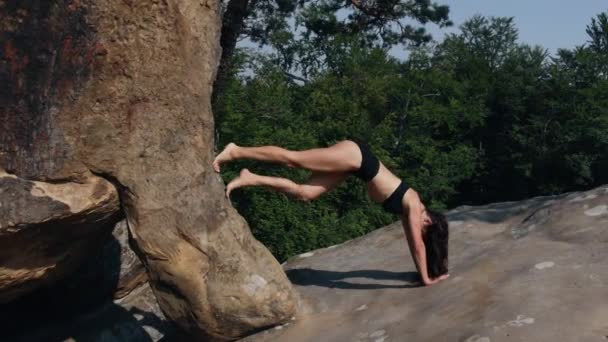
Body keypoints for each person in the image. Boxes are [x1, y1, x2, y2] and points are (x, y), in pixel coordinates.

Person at [213, 139, 450, 286]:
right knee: (293, 160)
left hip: (355, 167)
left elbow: (417, 244)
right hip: (357, 156)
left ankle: (250, 177)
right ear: (428, 221)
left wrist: (431, 270)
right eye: (424, 231)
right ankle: (236, 151)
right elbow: (417, 246)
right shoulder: (414, 206)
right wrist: (427, 279)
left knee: (304, 193)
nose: (418, 232)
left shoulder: (414, 211)